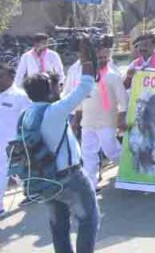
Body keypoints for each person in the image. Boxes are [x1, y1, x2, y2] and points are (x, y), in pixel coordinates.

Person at [21, 56, 98, 253]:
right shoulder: (54, 110)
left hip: (44, 177)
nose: (59, 89)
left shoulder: (27, 114)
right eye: (56, 87)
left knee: (58, 226)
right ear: (49, 91)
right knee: (88, 220)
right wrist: (87, 62)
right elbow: (84, 88)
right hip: (70, 176)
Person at [78, 37, 129, 188]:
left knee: (111, 150)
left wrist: (121, 119)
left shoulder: (113, 77)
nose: (102, 61)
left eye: (105, 58)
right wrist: (76, 119)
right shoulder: (85, 76)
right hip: (87, 122)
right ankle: (91, 185)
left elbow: (124, 102)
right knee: (88, 154)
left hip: (107, 121)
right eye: (99, 58)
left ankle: (130, 170)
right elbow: (80, 99)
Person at [0, 64, 31, 216]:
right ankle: (31, 190)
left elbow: (30, 119)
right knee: (12, 173)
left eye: (1, 76)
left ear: (11, 77)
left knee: (8, 172)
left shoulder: (20, 97)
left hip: (12, 144)